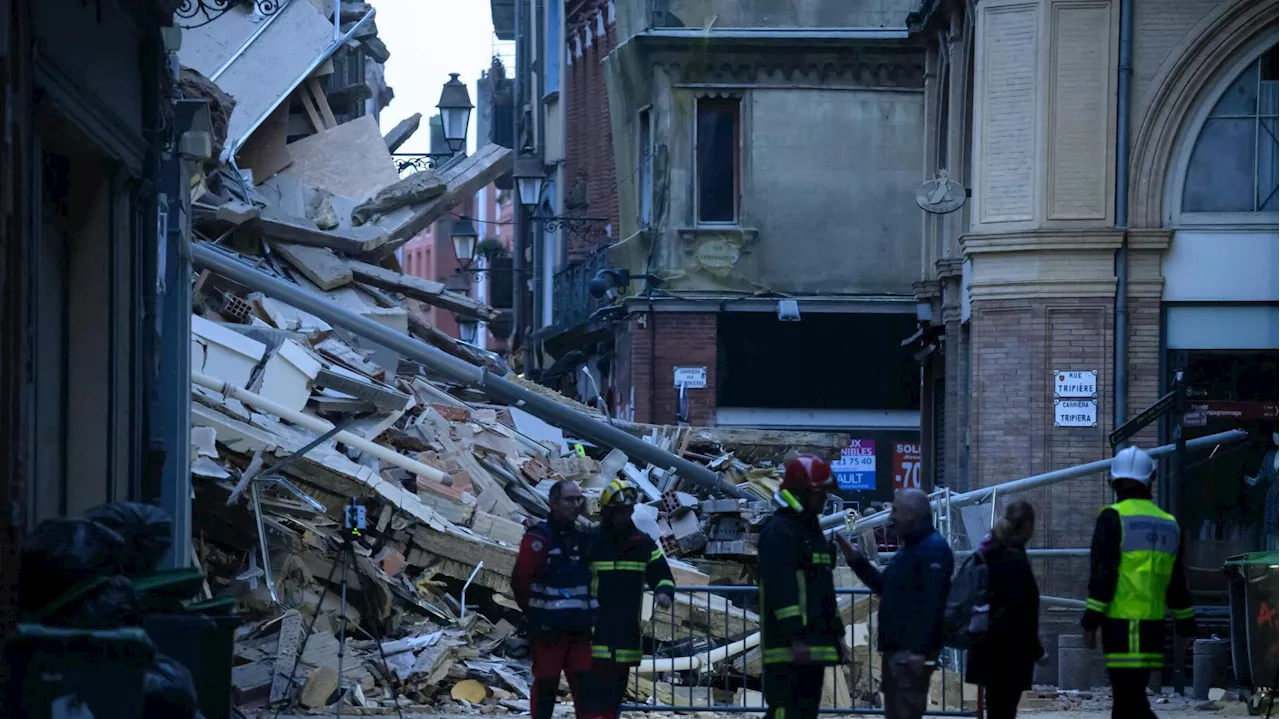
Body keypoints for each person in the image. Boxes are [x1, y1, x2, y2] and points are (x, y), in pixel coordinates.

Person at [1083, 446, 1196, 719]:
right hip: (1153, 627)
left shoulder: (1112, 518)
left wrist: (1090, 621)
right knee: (1130, 700)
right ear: (1151, 479)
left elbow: (1103, 575)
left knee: (1127, 701)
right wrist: (1186, 624)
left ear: (1113, 480)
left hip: (1122, 627)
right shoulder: (1169, 523)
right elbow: (1177, 581)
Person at [839, 488, 954, 719]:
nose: (891, 516)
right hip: (898, 653)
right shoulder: (911, 549)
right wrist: (857, 560)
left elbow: (934, 606)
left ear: (911, 514)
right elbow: (884, 588)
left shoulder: (932, 550)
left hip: (910, 655)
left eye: (895, 510)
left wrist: (920, 653)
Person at [757, 455, 846, 719]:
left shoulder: (810, 531)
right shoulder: (779, 532)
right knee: (784, 712)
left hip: (813, 646)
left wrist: (837, 635)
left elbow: (824, 589)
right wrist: (796, 638)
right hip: (788, 648)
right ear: (802, 492)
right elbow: (782, 591)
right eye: (820, 494)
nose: (825, 500)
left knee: (805, 713)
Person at [581, 479, 675, 719]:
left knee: (614, 695)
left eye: (628, 511)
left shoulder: (642, 544)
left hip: (624, 632)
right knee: (590, 695)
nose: (625, 516)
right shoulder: (591, 541)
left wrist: (664, 592)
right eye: (619, 511)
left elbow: (663, 574)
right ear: (608, 513)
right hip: (593, 630)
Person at [511, 479, 595, 719]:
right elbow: (520, 579)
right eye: (570, 499)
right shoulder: (539, 537)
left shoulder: (584, 537)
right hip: (549, 630)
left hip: (579, 629)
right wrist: (533, 612)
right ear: (554, 502)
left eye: (580, 499)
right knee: (546, 685)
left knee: (585, 686)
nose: (577, 504)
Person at [964, 500, 1045, 719]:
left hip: (986, 647)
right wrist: (1037, 651)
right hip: (1008, 653)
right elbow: (1023, 613)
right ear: (1027, 525)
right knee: (1004, 711)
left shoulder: (990, 551)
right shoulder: (1015, 560)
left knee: (996, 709)